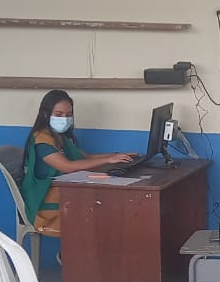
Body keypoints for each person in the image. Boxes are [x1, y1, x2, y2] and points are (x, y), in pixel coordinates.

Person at [19, 90, 134, 236]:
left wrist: (114, 155)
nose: (65, 119)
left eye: (69, 115)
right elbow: (67, 167)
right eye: (59, 114)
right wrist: (108, 160)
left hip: (65, 194)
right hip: (45, 205)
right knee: (98, 216)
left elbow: (86, 157)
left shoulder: (62, 137)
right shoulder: (42, 139)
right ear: (46, 114)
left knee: (106, 208)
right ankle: (84, 249)